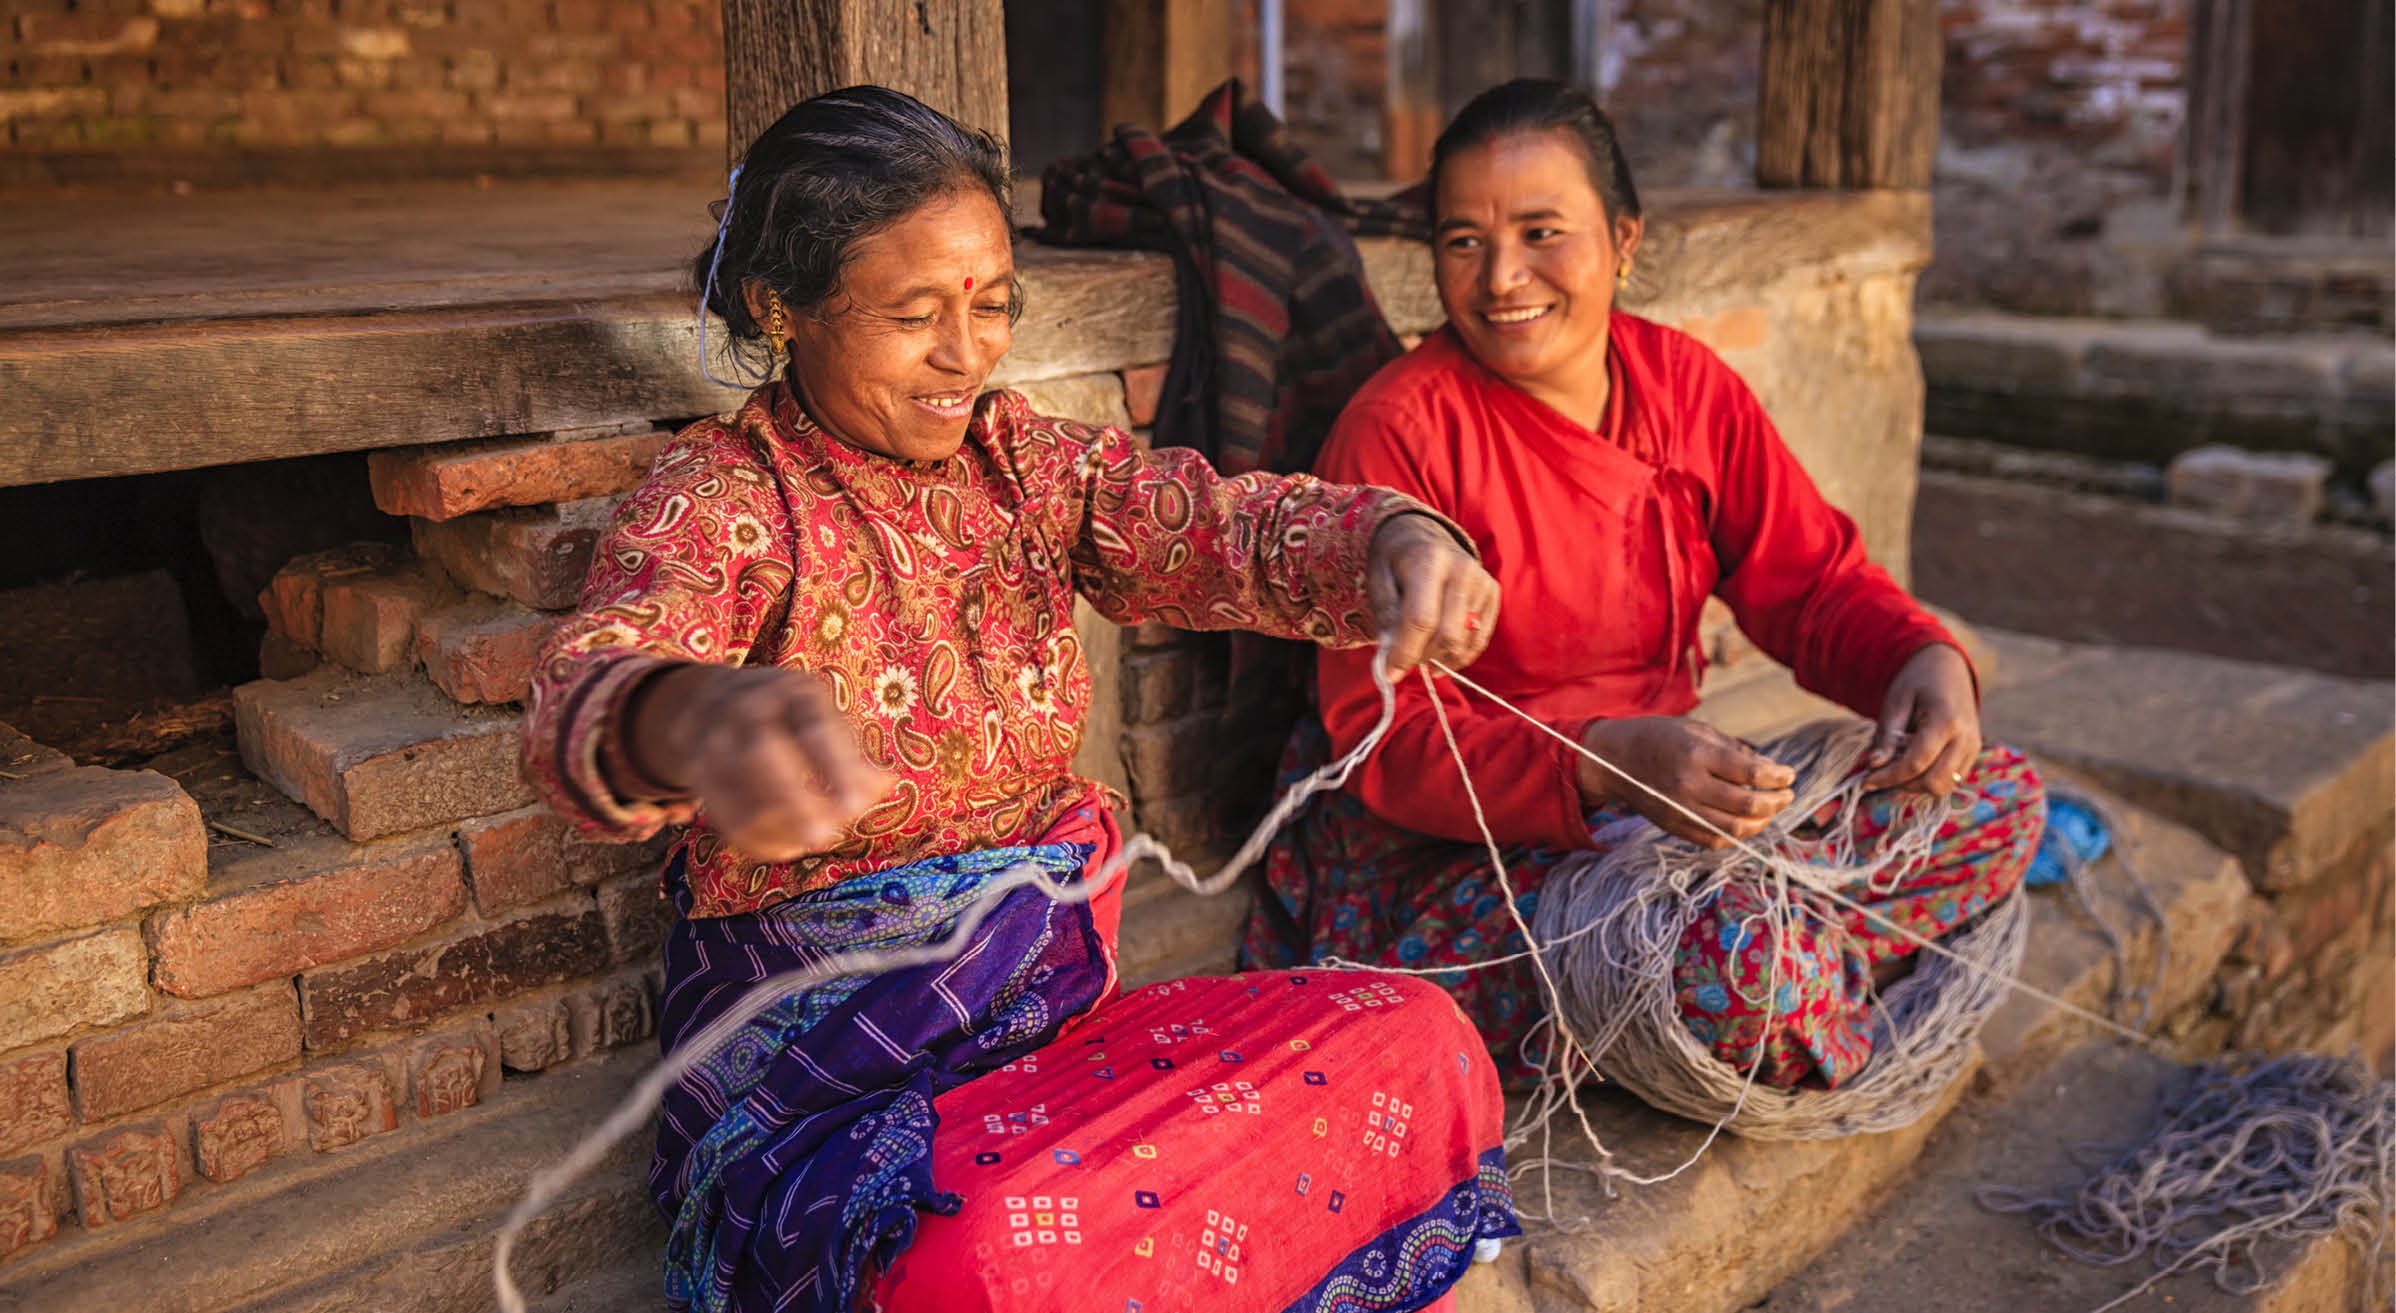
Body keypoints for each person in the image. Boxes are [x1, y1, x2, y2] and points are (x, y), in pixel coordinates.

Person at [520, 86, 1519, 1313]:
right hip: (851, 1115)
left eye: (990, 305)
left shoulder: (1026, 465)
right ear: (782, 308)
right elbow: (595, 675)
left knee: (1413, 1035)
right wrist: (691, 720)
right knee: (991, 1252)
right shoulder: (724, 499)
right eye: (912, 313)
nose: (965, 352)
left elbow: (1216, 523)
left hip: (1054, 1053)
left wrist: (1389, 538)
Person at [1243, 79, 2048, 1093]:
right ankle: (1792, 981)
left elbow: (1809, 582)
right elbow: (1383, 737)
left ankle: (1788, 977)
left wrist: (1917, 655)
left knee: (1996, 794)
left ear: (1622, 241)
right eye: (1461, 241)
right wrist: (1599, 762)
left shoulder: (1685, 386)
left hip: (1670, 814)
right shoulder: (1398, 430)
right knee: (1731, 961)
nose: (1500, 278)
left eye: (1542, 232)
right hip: (1465, 861)